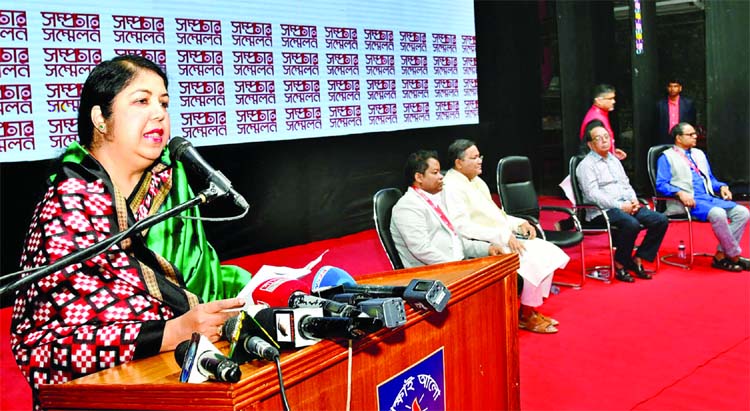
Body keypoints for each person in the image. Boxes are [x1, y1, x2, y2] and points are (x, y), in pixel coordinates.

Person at [10, 55, 248, 409]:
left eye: (164, 103)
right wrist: (172, 332)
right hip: (110, 393)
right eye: (141, 101)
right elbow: (46, 345)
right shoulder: (68, 206)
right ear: (99, 119)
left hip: (201, 369)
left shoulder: (171, 189)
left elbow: (204, 276)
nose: (159, 114)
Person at [442, 139, 570, 334]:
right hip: (483, 242)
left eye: (480, 157)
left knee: (547, 251)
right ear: (459, 163)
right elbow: (462, 226)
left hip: (501, 235)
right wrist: (500, 235)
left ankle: (530, 309)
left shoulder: (475, 180)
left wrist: (518, 223)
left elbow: (496, 214)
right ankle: (527, 315)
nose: (479, 161)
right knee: (532, 258)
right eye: (474, 158)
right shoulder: (451, 186)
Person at [576, 121, 669, 282]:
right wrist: (620, 205)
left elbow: (625, 183)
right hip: (602, 211)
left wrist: (633, 200)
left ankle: (638, 258)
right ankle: (620, 263)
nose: (605, 140)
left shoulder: (614, 160)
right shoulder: (586, 165)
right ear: (591, 145)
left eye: (607, 136)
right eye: (599, 138)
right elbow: (592, 194)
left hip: (625, 205)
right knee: (631, 224)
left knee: (660, 220)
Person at [655, 122, 750, 271]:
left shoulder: (699, 154)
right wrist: (679, 192)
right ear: (678, 138)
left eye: (695, 134)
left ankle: (721, 254)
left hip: (708, 197)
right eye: (690, 134)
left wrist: (722, 186)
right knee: (718, 213)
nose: (695, 136)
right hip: (688, 201)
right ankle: (734, 255)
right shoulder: (666, 157)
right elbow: (661, 184)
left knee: (743, 212)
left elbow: (710, 179)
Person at [390, 150, 503, 267]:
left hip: (456, 264)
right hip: (436, 274)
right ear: (419, 177)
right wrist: (459, 267)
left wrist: (487, 248)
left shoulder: (435, 199)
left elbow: (454, 241)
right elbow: (422, 250)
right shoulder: (407, 207)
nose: (441, 176)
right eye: (435, 173)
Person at [579, 83, 627, 160]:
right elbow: (593, 149)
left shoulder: (600, 115)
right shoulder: (595, 121)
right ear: (599, 101)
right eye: (610, 99)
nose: (613, 101)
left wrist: (612, 152)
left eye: (613, 98)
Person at [656, 79, 696, 145]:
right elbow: (656, 124)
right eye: (670, 86)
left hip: (683, 137)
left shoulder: (688, 104)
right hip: (664, 138)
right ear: (667, 88)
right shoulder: (660, 105)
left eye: (675, 86)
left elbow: (692, 121)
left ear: (680, 88)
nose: (672, 89)